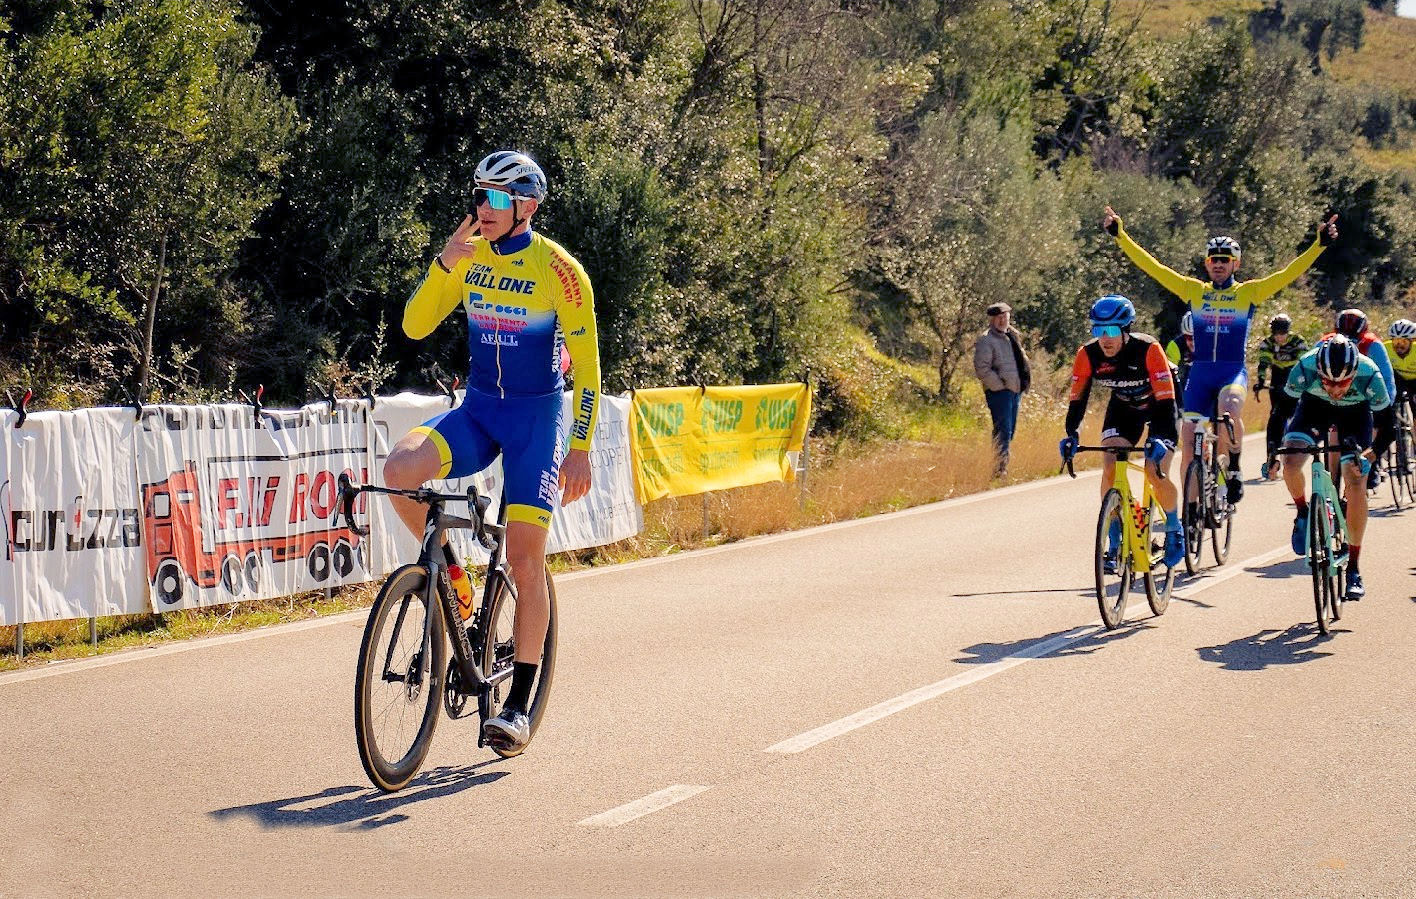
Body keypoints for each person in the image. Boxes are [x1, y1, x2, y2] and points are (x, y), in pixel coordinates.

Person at [383, 150, 600, 752]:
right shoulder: (469, 255)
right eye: (479, 196)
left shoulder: (559, 271)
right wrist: (443, 265)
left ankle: (518, 708)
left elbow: (588, 369)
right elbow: (415, 326)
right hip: (479, 410)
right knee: (400, 469)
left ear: (528, 205)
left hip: (538, 421)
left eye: (499, 199)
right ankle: (453, 579)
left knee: (527, 562)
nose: (485, 208)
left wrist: (579, 447)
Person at [1101, 206, 1338, 505]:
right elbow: (1154, 268)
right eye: (1214, 259)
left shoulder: (1248, 293)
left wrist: (1318, 245)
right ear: (1206, 263)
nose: (1219, 264)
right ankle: (1190, 516)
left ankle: (1235, 469)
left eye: (1225, 260)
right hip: (1201, 374)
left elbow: (1288, 273)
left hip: (1231, 370)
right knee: (1188, 443)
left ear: (1235, 264)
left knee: (1229, 410)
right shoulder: (1194, 290)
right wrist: (1121, 236)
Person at [1059, 295, 1185, 571]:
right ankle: (1114, 538)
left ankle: (1175, 527)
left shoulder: (1148, 349)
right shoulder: (1088, 354)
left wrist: (1160, 439)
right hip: (1125, 407)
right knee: (1109, 464)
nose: (1105, 338)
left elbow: (1166, 402)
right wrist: (1072, 435)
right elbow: (1077, 400)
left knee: (1155, 469)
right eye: (1098, 330)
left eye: (1113, 330)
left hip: (1162, 405)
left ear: (1126, 330)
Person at [1280, 335, 1390, 599]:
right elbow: (1280, 410)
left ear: (1354, 373)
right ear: (1319, 372)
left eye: (1343, 382)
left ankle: (1353, 567)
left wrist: (1371, 455)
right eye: (1328, 381)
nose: (1336, 388)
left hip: (1355, 416)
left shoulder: (1370, 374)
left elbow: (1387, 426)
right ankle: (1304, 513)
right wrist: (1273, 451)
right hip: (1313, 410)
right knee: (1291, 460)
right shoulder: (1305, 367)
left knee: (1355, 482)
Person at [1325, 308, 1396, 490]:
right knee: (1331, 437)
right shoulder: (1327, 344)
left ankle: (1370, 466)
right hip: (1336, 397)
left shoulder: (1373, 345)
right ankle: (1331, 485)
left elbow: (1387, 380)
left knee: (1373, 424)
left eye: (1355, 337)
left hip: (1366, 399)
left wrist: (1385, 406)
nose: (1349, 340)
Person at [973, 302, 1031, 477]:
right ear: (991, 319)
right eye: (998, 317)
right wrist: (1000, 386)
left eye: (1005, 316)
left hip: (1014, 391)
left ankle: (1001, 466)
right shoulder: (986, 340)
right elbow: (982, 368)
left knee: (1010, 430)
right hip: (1000, 393)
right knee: (1003, 430)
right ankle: (1000, 469)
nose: (1002, 320)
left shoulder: (1012, 336)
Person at [1254, 313, 1308, 480]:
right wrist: (1261, 379)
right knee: (1275, 416)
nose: (1280, 337)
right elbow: (1264, 362)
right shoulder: (1267, 343)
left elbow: (1303, 363)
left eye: (1283, 333)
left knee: (1297, 415)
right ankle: (1271, 454)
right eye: (1277, 334)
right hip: (1277, 378)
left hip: (1294, 376)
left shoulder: (1298, 341)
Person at [1385, 319, 1416, 429]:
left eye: (1404, 342)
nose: (1399, 345)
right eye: (1396, 341)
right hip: (1399, 378)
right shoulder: (1385, 348)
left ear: (1412, 341)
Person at [1164, 311, 1195, 395]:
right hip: (1185, 385)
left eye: (1198, 337)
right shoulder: (1175, 346)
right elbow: (1167, 375)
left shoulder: (1213, 345)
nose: (1193, 342)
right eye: (1189, 337)